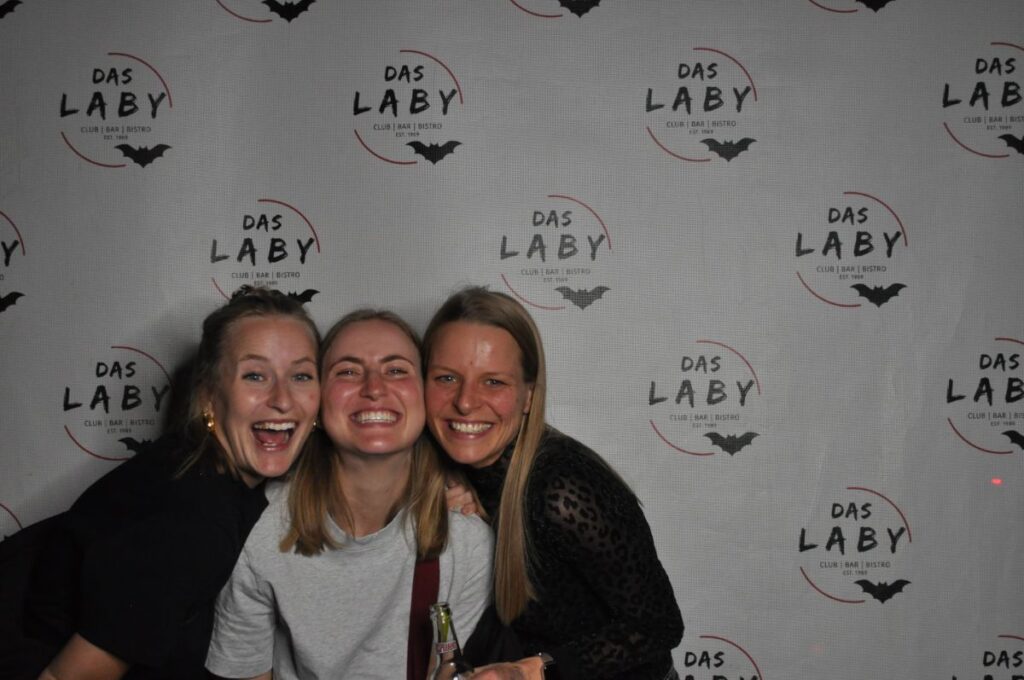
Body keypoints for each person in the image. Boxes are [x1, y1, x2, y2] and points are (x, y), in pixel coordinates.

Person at [17, 286, 321, 680]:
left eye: (301, 375)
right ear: (209, 397)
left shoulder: (208, 467)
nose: (282, 399)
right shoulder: (193, 521)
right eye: (254, 375)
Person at [206, 310, 493, 680]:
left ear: (425, 395)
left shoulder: (467, 542)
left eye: (396, 370)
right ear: (317, 401)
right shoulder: (260, 527)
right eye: (347, 371)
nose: (374, 388)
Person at [423, 287, 684, 680]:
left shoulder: (563, 488)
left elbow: (659, 625)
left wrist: (534, 670)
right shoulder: (447, 469)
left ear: (529, 395)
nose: (465, 401)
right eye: (446, 378)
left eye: (493, 382)